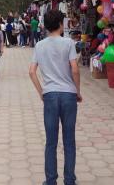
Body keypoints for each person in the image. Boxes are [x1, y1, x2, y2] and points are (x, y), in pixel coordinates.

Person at [29, 10, 82, 185]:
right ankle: (69, 180)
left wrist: (42, 92)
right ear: (60, 24)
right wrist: (77, 91)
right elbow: (74, 69)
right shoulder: (68, 43)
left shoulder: (40, 45)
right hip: (68, 95)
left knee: (51, 141)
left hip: (50, 95)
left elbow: (31, 71)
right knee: (69, 140)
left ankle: (51, 180)